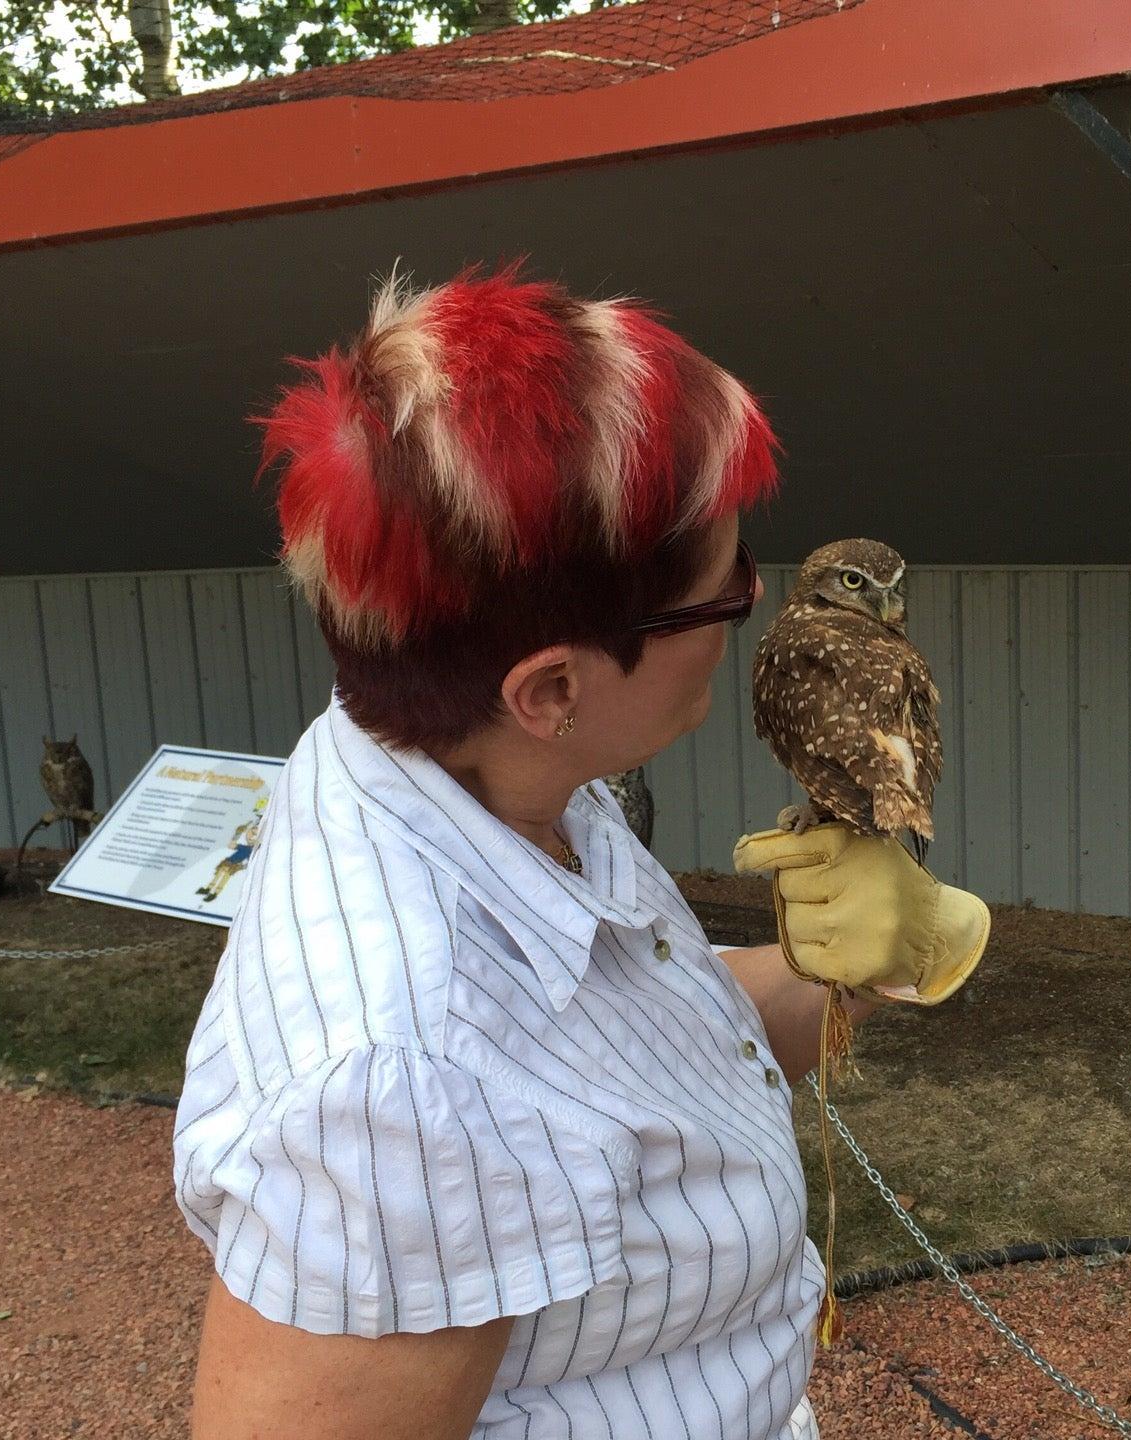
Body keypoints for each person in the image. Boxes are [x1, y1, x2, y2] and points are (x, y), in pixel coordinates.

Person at [172, 266, 986, 1440]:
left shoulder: (480, 770)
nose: (753, 608)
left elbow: (625, 1055)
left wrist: (855, 960)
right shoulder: (396, 1093)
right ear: (552, 686)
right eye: (729, 599)